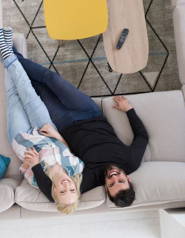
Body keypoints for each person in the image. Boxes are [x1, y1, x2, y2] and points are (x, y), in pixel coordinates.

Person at [13, 33, 149, 208]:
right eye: (120, 179)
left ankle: (11, 55)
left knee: (37, 88)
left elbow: (51, 195)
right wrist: (129, 110)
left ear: (106, 189)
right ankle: (10, 54)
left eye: (111, 184)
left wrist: (36, 165)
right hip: (89, 113)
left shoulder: (90, 180)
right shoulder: (131, 162)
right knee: (52, 79)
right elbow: (142, 137)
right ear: (128, 179)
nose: (114, 177)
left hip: (64, 125)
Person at [0, 27, 84, 214]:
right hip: (46, 129)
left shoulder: (38, 180)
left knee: (13, 96)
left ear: (54, 191)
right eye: (71, 190)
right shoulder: (76, 168)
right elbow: (67, 148)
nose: (66, 185)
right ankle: (5, 49)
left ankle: (5, 48)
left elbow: (24, 166)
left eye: (62, 191)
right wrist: (56, 134)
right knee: (28, 91)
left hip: (22, 137)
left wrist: (32, 163)